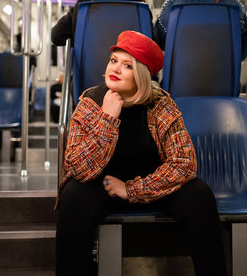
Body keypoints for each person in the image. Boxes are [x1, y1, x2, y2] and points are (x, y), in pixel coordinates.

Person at [55, 31, 227, 276]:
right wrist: (108, 118)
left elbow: (184, 163)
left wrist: (131, 189)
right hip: (101, 182)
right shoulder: (90, 102)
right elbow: (78, 168)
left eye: (128, 65)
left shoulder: (161, 104)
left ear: (143, 76)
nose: (116, 69)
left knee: (199, 195)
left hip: (151, 181)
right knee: (72, 195)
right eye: (114, 60)